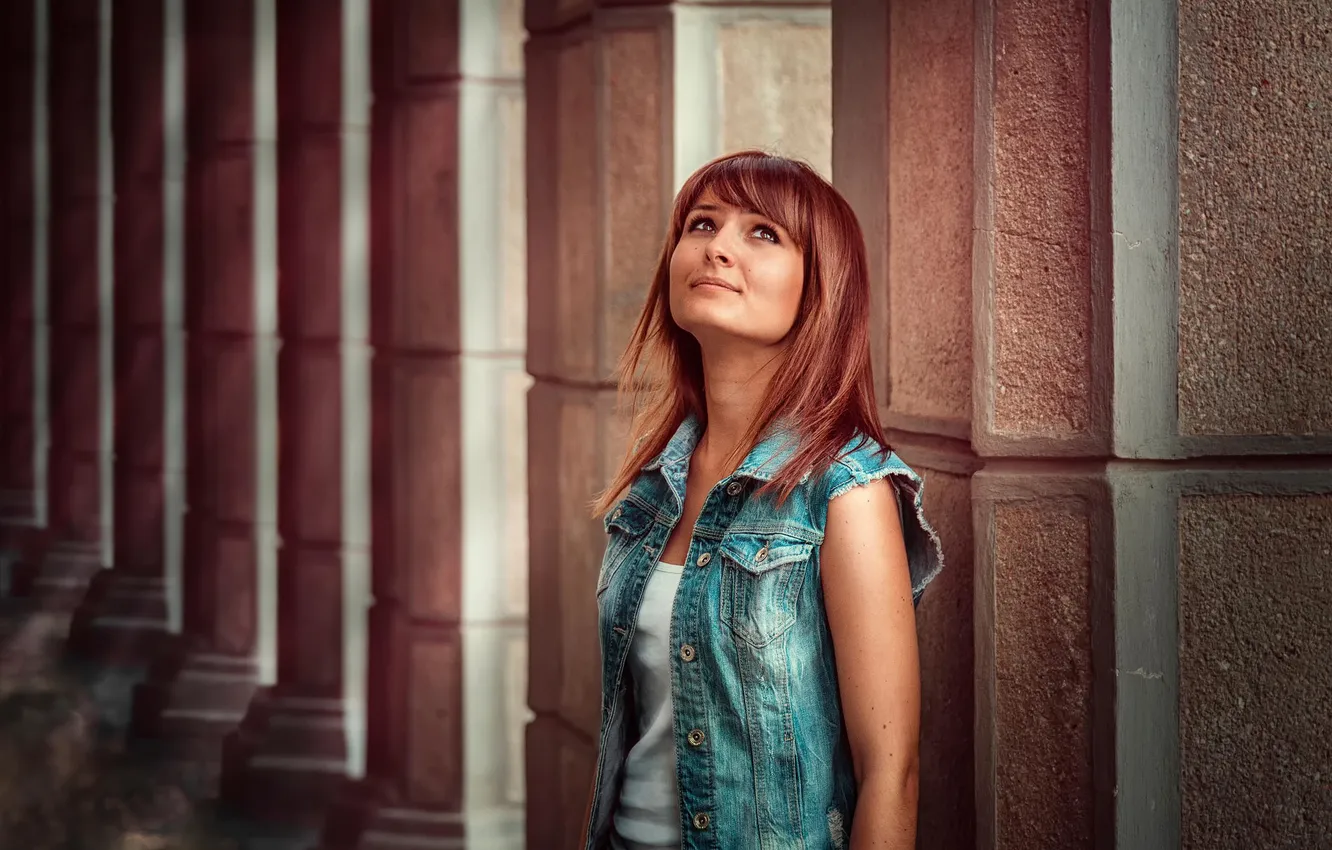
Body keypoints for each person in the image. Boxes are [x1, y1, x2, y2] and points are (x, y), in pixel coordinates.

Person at [583, 151, 945, 850]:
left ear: (821, 288)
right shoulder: (650, 489)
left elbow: (890, 777)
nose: (717, 246)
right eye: (703, 223)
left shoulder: (847, 492)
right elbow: (620, 738)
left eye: (763, 233)